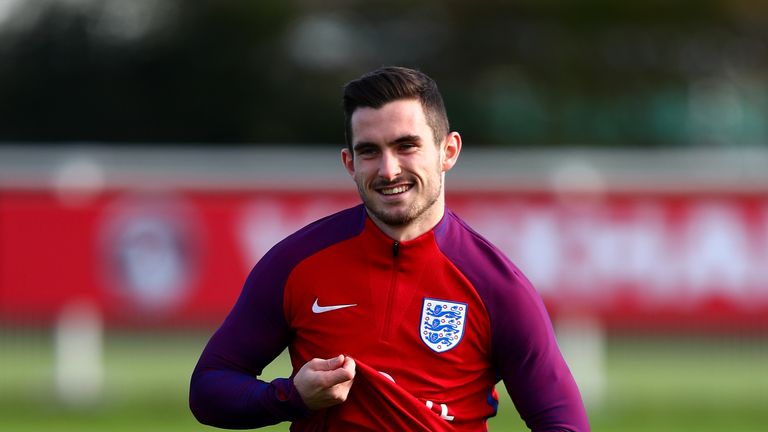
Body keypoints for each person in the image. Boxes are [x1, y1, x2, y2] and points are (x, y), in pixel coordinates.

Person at [189, 66, 590, 431]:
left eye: (406, 146)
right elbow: (209, 388)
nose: (388, 170)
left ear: (448, 151)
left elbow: (563, 422)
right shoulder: (296, 263)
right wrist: (289, 397)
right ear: (349, 162)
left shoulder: (497, 286)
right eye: (369, 151)